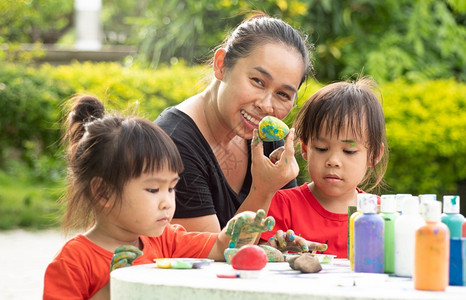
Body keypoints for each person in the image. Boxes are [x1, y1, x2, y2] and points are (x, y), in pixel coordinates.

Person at [43, 95, 322, 300]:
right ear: (102, 192)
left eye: (171, 187)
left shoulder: (167, 239)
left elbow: (218, 247)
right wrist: (112, 288)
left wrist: (237, 231)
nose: (167, 201)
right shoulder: (73, 262)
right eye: (153, 190)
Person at [155, 12, 311, 232]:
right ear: (221, 65)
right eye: (258, 81)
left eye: (283, 95)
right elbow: (210, 258)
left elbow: (286, 234)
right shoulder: (173, 145)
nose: (267, 106)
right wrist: (262, 191)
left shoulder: (266, 136)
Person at [260, 78, 389, 258]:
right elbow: (258, 256)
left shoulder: (380, 214)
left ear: (374, 154)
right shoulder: (283, 204)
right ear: (305, 149)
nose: (333, 161)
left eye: (349, 151)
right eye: (321, 148)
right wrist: (276, 249)